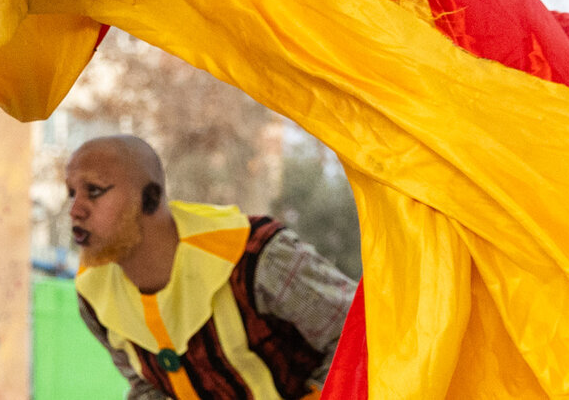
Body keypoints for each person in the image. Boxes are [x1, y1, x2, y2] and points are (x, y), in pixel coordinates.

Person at [65, 135, 356, 400]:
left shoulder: (256, 256)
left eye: (94, 191)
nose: (75, 210)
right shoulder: (93, 292)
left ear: (150, 198)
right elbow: (148, 384)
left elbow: (361, 333)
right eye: (71, 193)